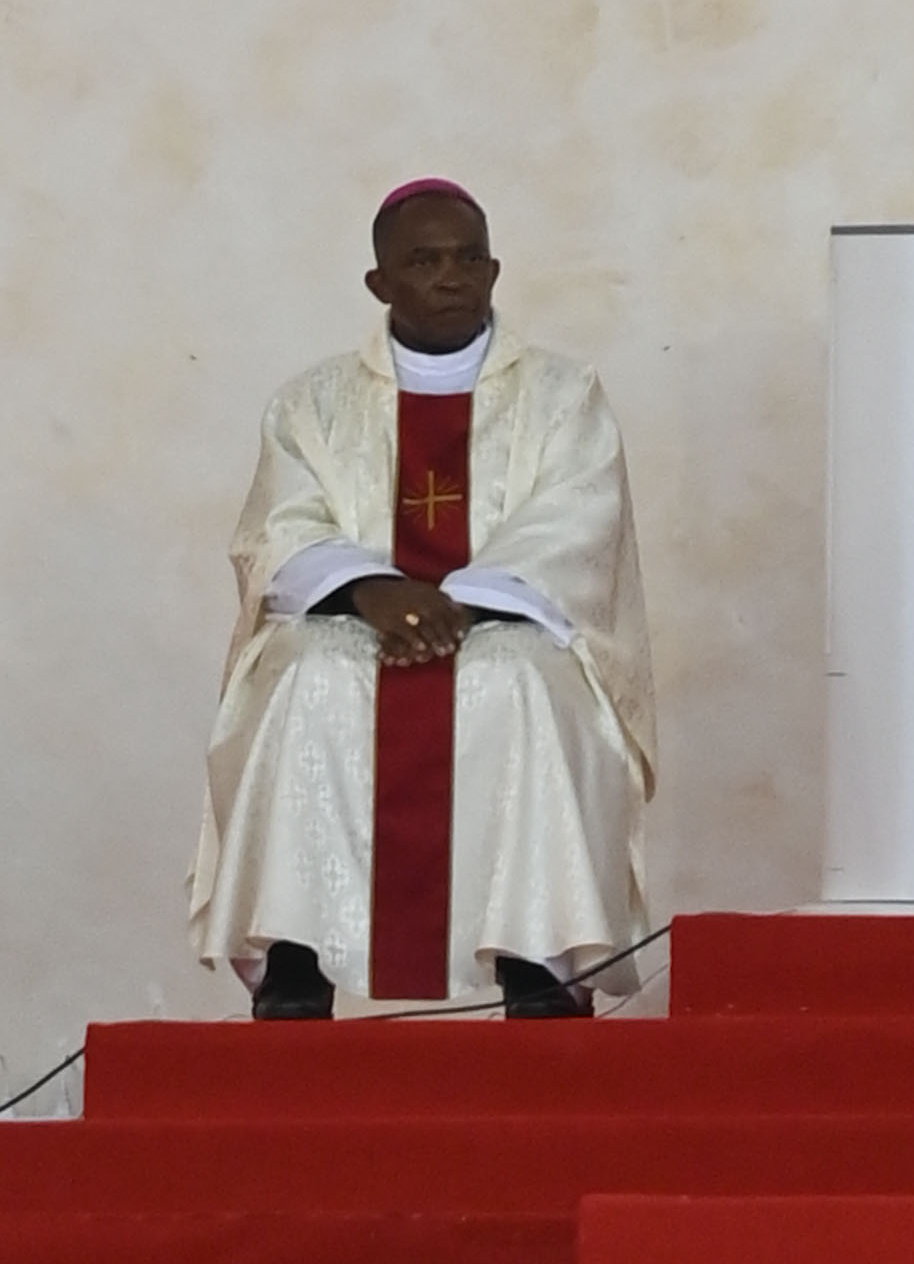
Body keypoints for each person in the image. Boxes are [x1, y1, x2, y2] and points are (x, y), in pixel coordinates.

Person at [193, 179, 653, 1019]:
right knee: (304, 675)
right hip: (353, 616)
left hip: (510, 620)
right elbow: (277, 525)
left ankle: (537, 956)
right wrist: (370, 587)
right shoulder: (313, 401)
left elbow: (579, 520)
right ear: (380, 283)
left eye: (469, 257)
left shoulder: (562, 393)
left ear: (495, 269)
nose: (452, 276)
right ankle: (298, 953)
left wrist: (462, 603)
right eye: (424, 260)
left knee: (516, 679)